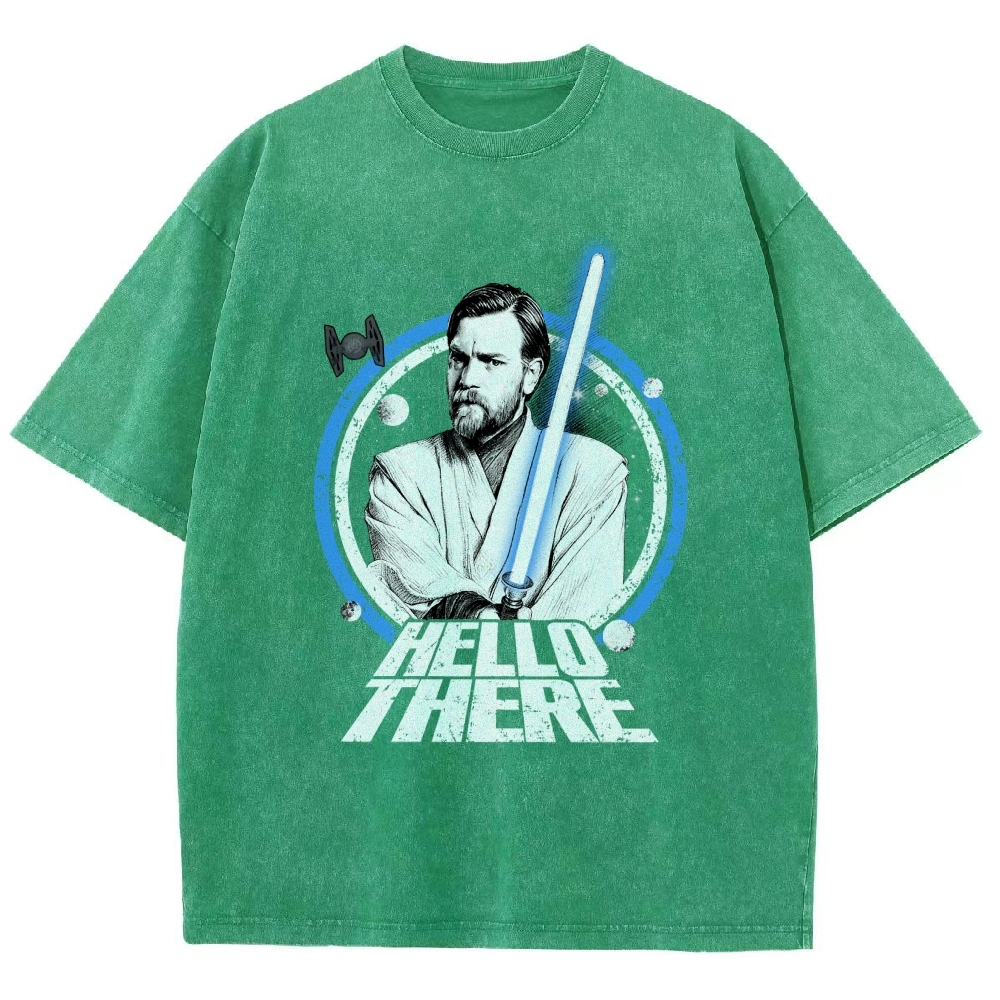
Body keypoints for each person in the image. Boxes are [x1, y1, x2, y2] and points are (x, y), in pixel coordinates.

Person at [365, 283, 628, 621]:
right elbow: (411, 581)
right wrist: (475, 612)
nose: (467, 378)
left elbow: (583, 608)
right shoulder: (401, 472)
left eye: (491, 361)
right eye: (458, 359)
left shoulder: (592, 470)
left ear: (530, 375)